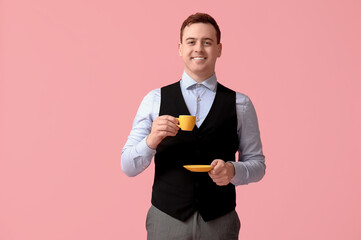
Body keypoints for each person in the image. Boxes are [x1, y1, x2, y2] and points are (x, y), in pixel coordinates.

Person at [121, 12, 265, 240]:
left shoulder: (241, 104)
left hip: (220, 221)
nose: (199, 48)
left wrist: (233, 170)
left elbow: (258, 165)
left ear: (219, 49)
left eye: (207, 42)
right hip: (166, 219)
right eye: (191, 42)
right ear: (180, 48)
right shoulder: (154, 99)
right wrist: (151, 141)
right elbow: (128, 166)